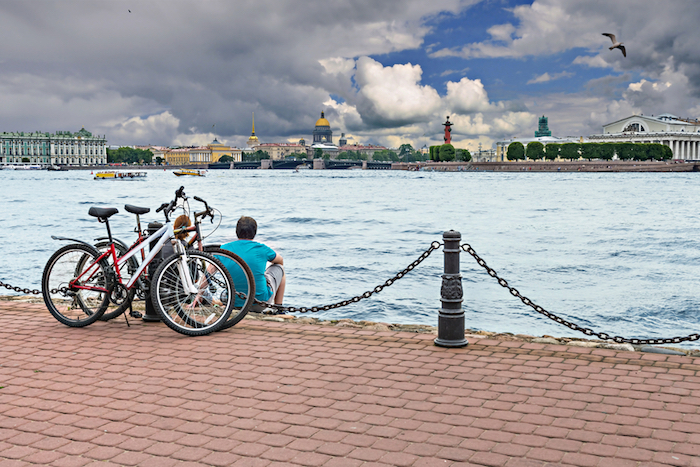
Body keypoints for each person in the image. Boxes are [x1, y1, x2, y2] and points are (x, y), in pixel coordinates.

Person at [220, 216, 285, 311]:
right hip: (260, 304)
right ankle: (279, 308)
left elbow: (208, 273)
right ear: (254, 233)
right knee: (280, 268)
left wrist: (198, 296)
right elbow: (280, 261)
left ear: (236, 232)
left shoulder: (224, 249)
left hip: (232, 302)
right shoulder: (262, 248)